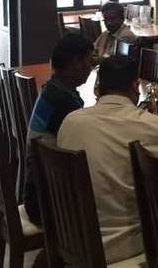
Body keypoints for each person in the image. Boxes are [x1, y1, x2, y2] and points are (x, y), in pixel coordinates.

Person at [56, 56, 158, 263]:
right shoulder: (146, 124)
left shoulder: (70, 121)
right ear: (136, 86)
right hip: (124, 246)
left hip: (72, 241)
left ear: (97, 88)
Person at [22, 33, 95, 225]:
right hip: (49, 202)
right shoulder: (63, 102)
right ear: (75, 63)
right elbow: (87, 147)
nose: (91, 68)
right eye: (89, 62)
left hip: (39, 191)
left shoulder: (53, 89)